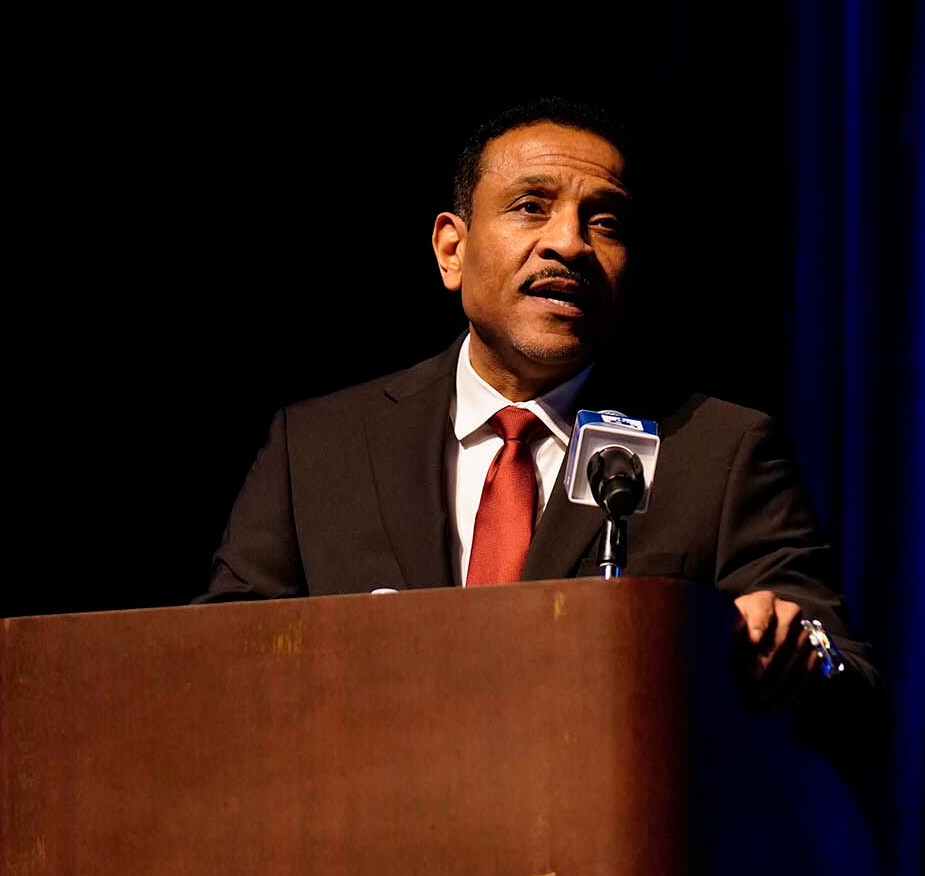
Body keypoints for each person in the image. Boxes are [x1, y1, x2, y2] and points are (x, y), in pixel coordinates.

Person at [198, 97, 877, 718]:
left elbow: (850, 686)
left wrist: (796, 651)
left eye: (603, 221)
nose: (571, 243)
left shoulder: (718, 451)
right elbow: (212, 669)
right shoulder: (319, 448)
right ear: (451, 249)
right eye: (531, 206)